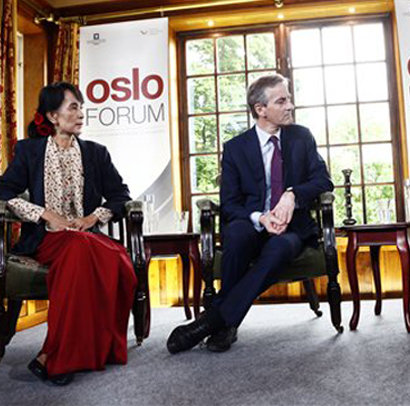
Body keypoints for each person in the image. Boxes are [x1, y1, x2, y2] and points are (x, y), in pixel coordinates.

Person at [167, 74, 333, 354]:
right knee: (237, 233)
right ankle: (225, 322)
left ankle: (214, 321)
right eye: (282, 100)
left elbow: (323, 181)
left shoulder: (301, 137)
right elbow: (230, 204)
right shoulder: (235, 148)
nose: (290, 105)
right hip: (252, 224)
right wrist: (260, 217)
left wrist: (292, 194)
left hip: (292, 229)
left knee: (280, 247)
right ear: (260, 109)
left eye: (289, 98)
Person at [0, 82, 137, 385]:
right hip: (46, 239)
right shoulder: (29, 151)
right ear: (52, 116)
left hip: (85, 237)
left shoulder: (96, 153)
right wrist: (45, 214)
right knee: (81, 250)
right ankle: (62, 357)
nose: (81, 113)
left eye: (81, 107)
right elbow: (4, 190)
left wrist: (92, 217)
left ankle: (53, 355)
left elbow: (120, 195)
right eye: (73, 107)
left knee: (117, 260)